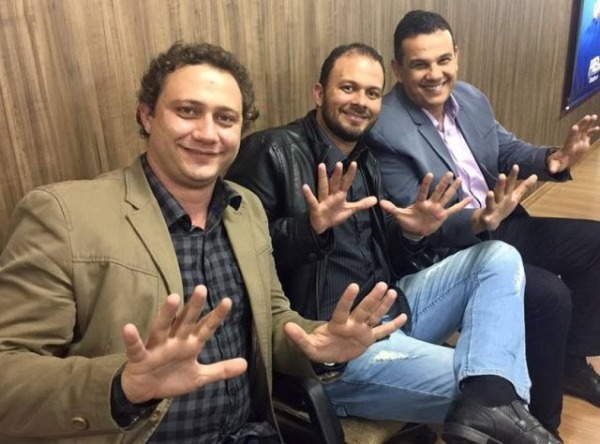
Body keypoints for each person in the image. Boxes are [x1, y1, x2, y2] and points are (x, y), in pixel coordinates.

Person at [0, 42, 407, 443]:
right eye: (188, 111)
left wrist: (317, 342)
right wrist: (122, 386)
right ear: (147, 115)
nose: (207, 133)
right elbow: (8, 371)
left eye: (225, 118)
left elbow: (272, 319)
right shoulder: (62, 215)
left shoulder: (244, 208)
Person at [227, 43, 560, 444]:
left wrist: (414, 232)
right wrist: (310, 229)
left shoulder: (365, 158)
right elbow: (241, 261)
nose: (360, 101)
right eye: (348, 88)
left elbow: (390, 258)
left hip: (391, 307)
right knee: (488, 394)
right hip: (334, 346)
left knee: (498, 257)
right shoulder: (272, 151)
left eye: (371, 93)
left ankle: (495, 402)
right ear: (319, 93)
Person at [366, 9, 600, 436]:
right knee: (550, 295)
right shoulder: (385, 129)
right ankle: (541, 425)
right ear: (397, 70)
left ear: (456, 55)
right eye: (419, 65)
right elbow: (418, 223)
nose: (435, 74)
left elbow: (506, 150)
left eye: (443, 60)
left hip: (503, 221)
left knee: (595, 243)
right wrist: (477, 219)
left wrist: (554, 159)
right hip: (453, 248)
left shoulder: (470, 98)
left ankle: (569, 361)